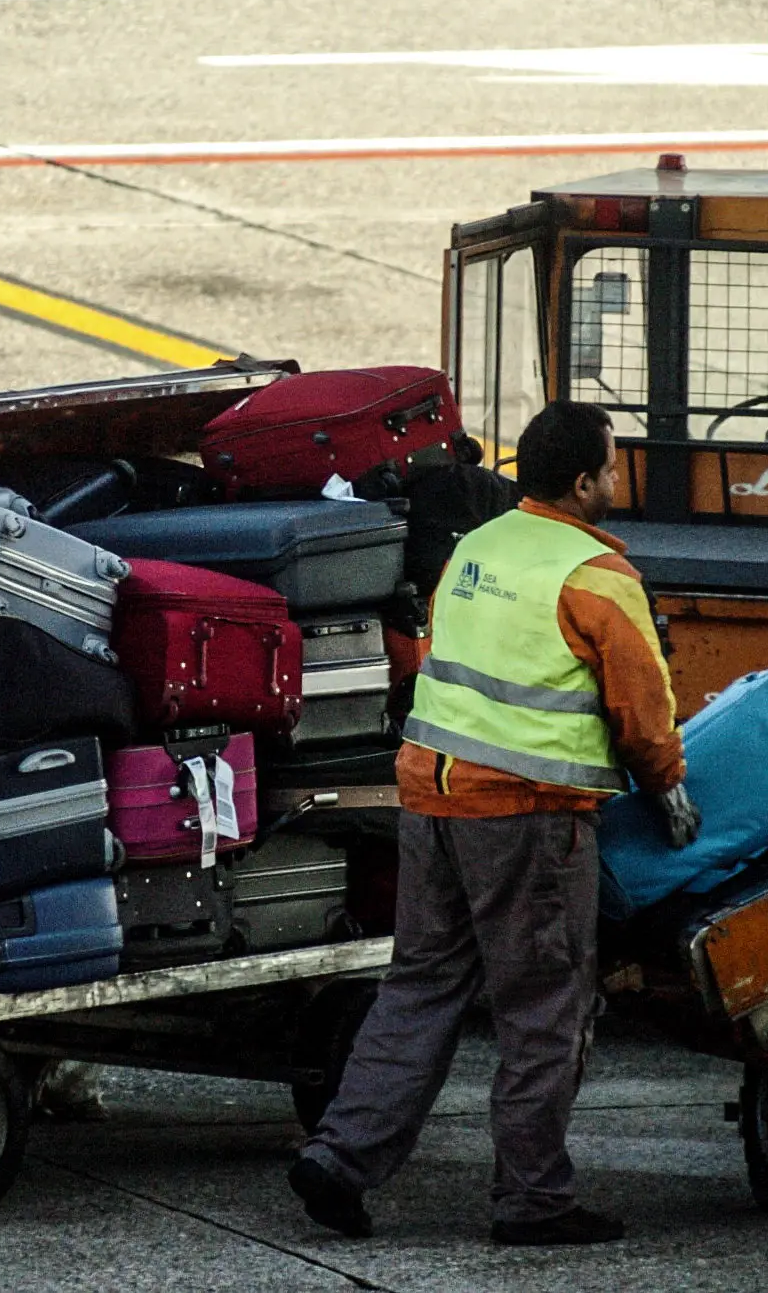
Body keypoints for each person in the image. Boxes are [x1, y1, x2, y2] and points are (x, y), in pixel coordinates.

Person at [289, 401, 701, 1247]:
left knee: (419, 988)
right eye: (613, 468)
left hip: (430, 800)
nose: (617, 481)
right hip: (527, 818)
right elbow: (643, 710)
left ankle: (339, 1157)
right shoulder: (596, 577)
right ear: (585, 482)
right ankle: (532, 1200)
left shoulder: (475, 548)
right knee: (543, 1007)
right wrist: (666, 784)